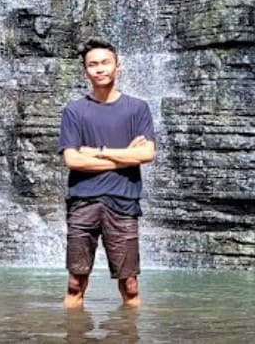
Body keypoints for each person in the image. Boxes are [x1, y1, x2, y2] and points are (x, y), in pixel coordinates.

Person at [57, 38, 156, 309]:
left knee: (130, 284)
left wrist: (99, 152)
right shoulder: (74, 111)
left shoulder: (137, 108)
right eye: (93, 65)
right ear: (85, 71)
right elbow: (73, 159)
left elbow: (147, 154)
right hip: (82, 202)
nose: (100, 69)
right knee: (75, 282)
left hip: (123, 203)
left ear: (117, 65)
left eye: (105, 63)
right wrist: (125, 158)